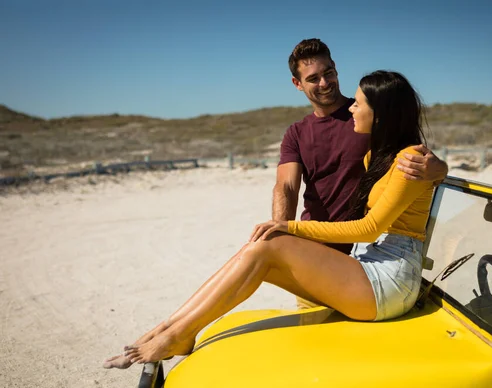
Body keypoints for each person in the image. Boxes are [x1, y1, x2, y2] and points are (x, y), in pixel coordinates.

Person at [103, 69, 436, 368]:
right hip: (367, 269)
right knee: (259, 248)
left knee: (269, 243)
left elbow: (370, 228)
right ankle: (170, 329)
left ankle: (177, 333)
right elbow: (286, 185)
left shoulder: (410, 159)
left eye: (359, 103)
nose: (351, 106)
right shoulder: (374, 155)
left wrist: (287, 226)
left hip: (389, 282)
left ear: (381, 115)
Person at [275, 38, 448, 309]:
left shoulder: (367, 116)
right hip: (315, 252)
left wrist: (441, 168)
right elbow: (286, 187)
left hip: (367, 257)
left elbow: (409, 159)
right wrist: (280, 233)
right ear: (297, 84)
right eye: (313, 78)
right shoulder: (296, 133)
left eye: (328, 72)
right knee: (314, 339)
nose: (324, 82)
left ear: (336, 68)